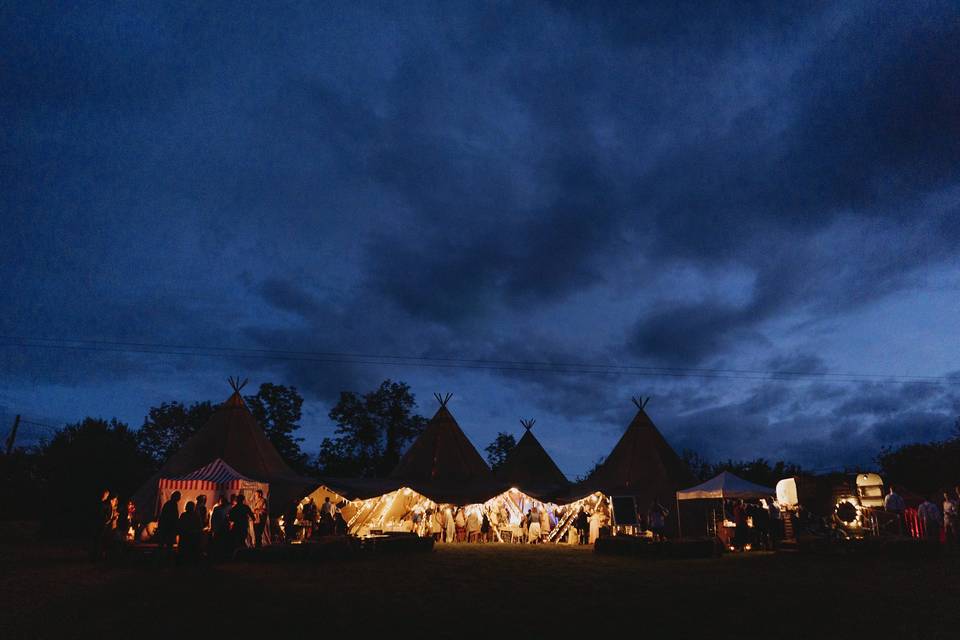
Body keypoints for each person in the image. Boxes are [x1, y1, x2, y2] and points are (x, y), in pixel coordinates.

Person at [157, 491, 181, 559]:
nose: (180, 498)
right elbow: (172, 517)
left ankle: (161, 558)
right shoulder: (172, 504)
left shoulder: (168, 504)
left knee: (163, 544)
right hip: (168, 527)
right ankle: (165, 558)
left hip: (166, 526)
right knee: (168, 544)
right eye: (179, 496)